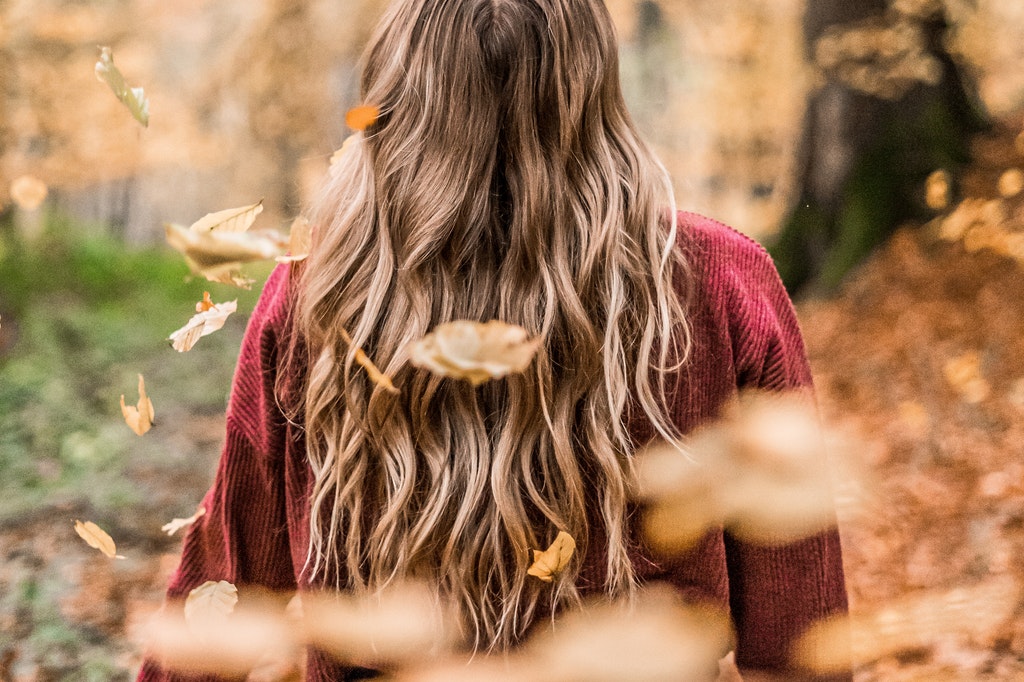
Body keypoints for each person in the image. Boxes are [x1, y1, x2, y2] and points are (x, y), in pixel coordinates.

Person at [139, 0, 848, 679]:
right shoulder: (719, 279)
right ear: (593, 91)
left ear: (399, 97)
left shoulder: (316, 294)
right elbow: (799, 634)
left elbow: (221, 592)